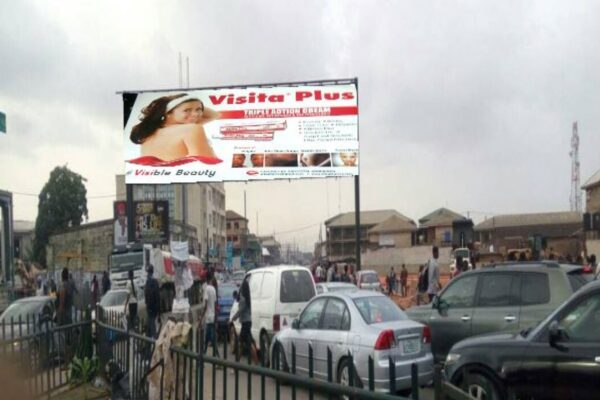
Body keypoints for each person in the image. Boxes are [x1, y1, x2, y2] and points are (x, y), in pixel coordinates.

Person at [130, 93, 220, 162]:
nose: (196, 114)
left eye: (199, 109)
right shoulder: (191, 129)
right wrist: (187, 100)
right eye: (187, 110)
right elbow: (205, 163)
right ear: (168, 113)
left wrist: (187, 102)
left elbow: (214, 115)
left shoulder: (148, 132)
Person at [231, 277, 259, 363]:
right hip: (248, 323)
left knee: (241, 344)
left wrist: (232, 318)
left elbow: (240, 311)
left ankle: (237, 364)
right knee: (248, 344)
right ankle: (256, 364)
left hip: (245, 324)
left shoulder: (243, 299)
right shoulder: (247, 298)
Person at [202, 270, 219, 356]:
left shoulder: (206, 289)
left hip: (208, 317)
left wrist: (201, 318)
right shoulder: (213, 289)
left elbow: (205, 305)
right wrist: (216, 318)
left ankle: (218, 359)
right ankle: (202, 357)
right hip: (212, 316)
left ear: (206, 278)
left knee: (209, 338)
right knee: (208, 338)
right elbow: (215, 304)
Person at [144, 265, 161, 339]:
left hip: (150, 306)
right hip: (155, 306)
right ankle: (149, 338)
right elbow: (158, 295)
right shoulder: (155, 282)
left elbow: (147, 294)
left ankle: (154, 338)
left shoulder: (148, 282)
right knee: (151, 322)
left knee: (151, 323)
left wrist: (147, 303)